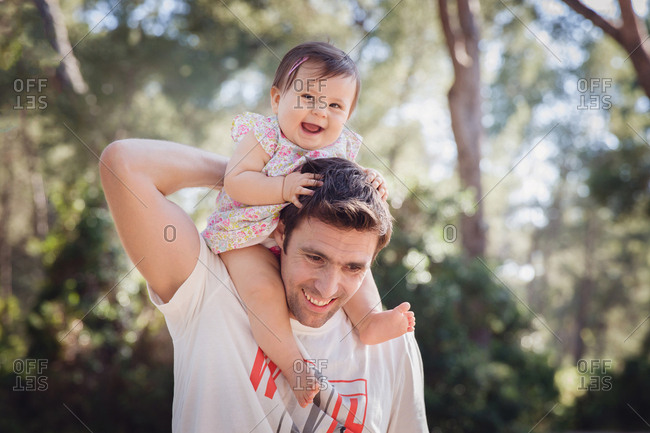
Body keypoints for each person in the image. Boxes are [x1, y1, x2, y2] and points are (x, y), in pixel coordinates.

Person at [100, 140, 429, 431]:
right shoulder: (210, 290)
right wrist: (258, 180)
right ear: (281, 232)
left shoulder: (393, 345)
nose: (327, 288)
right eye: (315, 258)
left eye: (353, 267)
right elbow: (125, 164)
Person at [200, 41, 414, 407]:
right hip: (245, 233)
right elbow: (235, 180)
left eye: (334, 105)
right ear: (276, 99)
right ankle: (294, 363)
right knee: (262, 293)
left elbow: (351, 179)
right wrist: (282, 186)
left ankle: (369, 321)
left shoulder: (340, 148)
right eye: (308, 99)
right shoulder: (265, 136)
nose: (320, 112)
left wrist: (374, 178)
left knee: (352, 269)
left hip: (302, 238)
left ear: (347, 115)